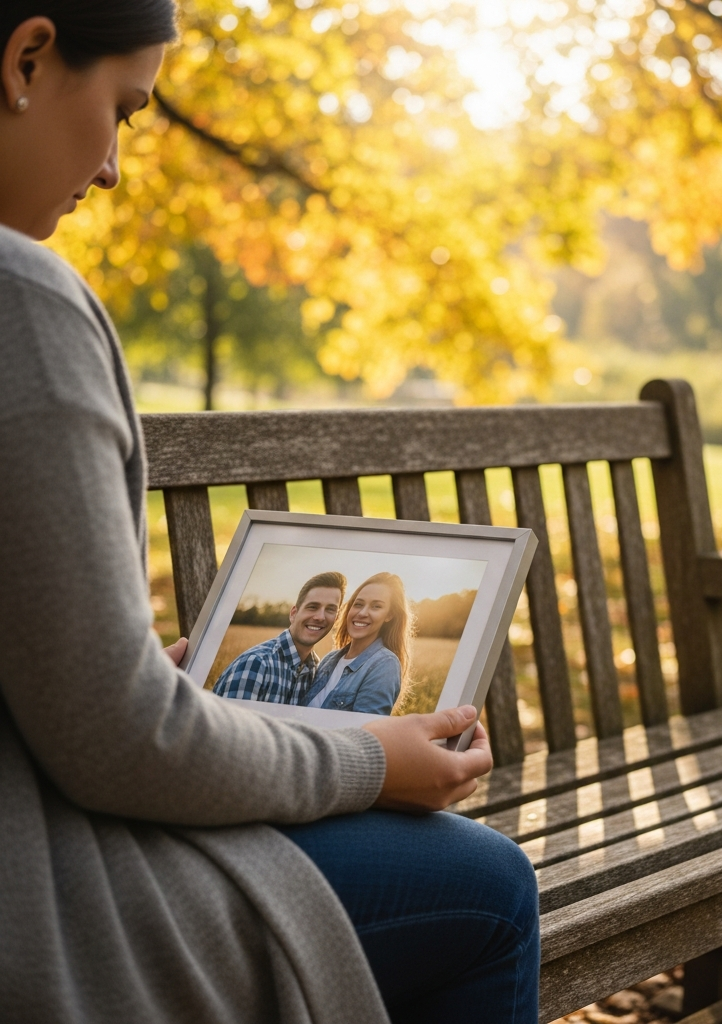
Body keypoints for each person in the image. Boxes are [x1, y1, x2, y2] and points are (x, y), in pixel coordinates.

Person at [0, 5, 540, 1024]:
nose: (113, 165)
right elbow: (122, 749)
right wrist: (376, 760)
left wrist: (119, 676)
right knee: (490, 887)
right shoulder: (18, 296)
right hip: (38, 897)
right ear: (27, 58)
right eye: (120, 107)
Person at [214, 571, 345, 703]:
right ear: (293, 613)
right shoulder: (256, 664)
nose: (320, 617)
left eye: (330, 609)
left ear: (336, 618)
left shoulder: (315, 670)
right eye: (312, 607)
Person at [303, 572, 408, 715]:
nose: (363, 613)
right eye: (358, 604)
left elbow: (364, 731)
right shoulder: (330, 659)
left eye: (376, 606)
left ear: (389, 615)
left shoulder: (385, 664)